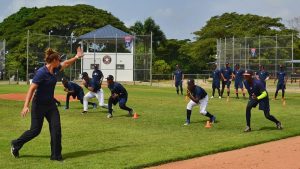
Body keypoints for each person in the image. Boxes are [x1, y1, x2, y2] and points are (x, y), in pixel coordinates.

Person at [11, 46, 84, 161]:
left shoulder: (55, 69)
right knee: (35, 130)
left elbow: (66, 63)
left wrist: (76, 57)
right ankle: (16, 143)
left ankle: (56, 156)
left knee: (56, 129)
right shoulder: (41, 73)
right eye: (58, 60)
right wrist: (26, 106)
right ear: (54, 61)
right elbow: (31, 89)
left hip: (50, 105)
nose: (60, 61)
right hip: (38, 105)